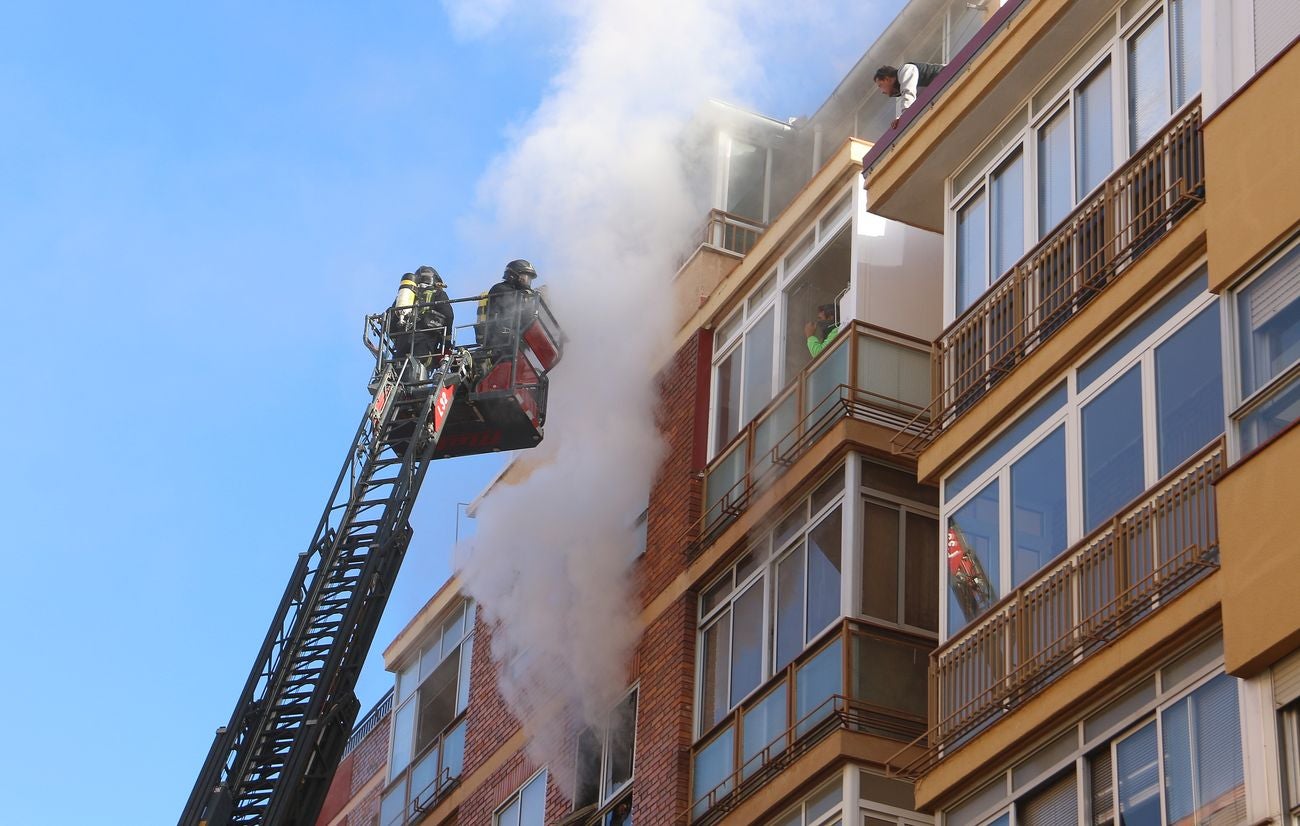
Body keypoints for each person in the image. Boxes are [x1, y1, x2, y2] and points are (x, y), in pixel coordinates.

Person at [482, 259, 537, 357]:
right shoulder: (500, 289)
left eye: (529, 279)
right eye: (525, 277)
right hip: (500, 340)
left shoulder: (518, 292)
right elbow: (515, 305)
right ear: (513, 275)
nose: (527, 281)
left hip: (513, 340)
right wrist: (531, 296)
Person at [874, 62, 945, 129]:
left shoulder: (906, 69)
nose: (882, 92)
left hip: (952, 76)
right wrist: (902, 117)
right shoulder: (903, 87)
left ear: (887, 79)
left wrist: (904, 117)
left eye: (880, 85)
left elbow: (908, 93)